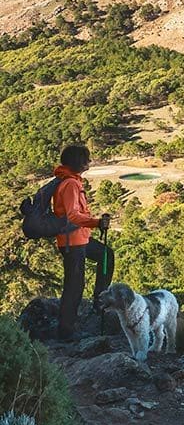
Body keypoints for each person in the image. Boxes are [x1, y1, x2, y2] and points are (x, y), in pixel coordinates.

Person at [53, 144, 114, 340]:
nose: (88, 162)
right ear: (78, 162)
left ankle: (100, 299)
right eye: (86, 159)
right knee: (74, 285)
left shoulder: (71, 181)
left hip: (80, 239)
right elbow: (72, 216)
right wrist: (96, 222)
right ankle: (66, 331)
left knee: (105, 254)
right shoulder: (70, 184)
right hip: (72, 242)